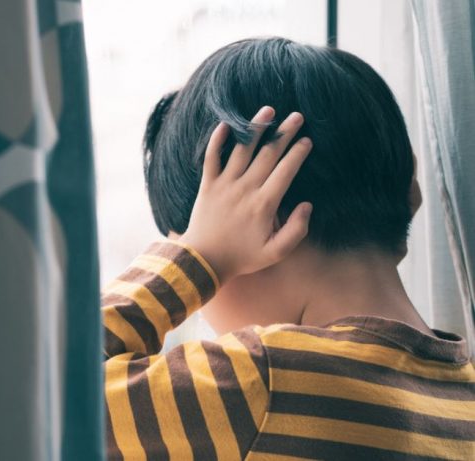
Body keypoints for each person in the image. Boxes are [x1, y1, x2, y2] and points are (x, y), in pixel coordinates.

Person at [103, 37, 475, 460]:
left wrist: (201, 258)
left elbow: (52, 402)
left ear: (265, 222)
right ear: (410, 194)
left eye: (191, 235)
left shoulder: (260, 383)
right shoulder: (463, 398)